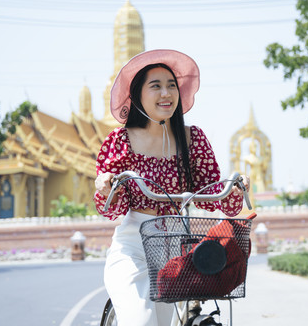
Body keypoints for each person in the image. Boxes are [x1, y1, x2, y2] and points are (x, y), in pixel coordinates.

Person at [93, 49, 250, 326]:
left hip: (174, 249)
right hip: (134, 245)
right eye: (156, 86)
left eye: (171, 86)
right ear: (138, 95)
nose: (166, 93)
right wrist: (107, 188)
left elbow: (211, 194)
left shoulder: (193, 139)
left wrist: (234, 190)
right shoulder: (121, 140)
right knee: (140, 321)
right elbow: (110, 209)